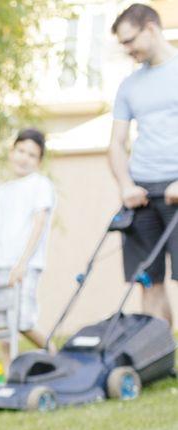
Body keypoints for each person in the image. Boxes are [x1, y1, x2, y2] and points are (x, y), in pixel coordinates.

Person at [109, 3, 178, 326]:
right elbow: (116, 144)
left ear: (151, 28)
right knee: (147, 280)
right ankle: (160, 356)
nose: (127, 50)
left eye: (129, 41)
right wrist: (125, 185)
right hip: (142, 192)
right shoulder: (129, 85)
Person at [0, 128, 56, 370]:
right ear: (12, 151)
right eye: (21, 151)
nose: (24, 158)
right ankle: (9, 374)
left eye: (32, 155)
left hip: (24, 266)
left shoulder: (40, 185)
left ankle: (55, 355)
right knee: (3, 325)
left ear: (39, 161)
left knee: (22, 321)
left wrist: (22, 263)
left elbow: (39, 224)